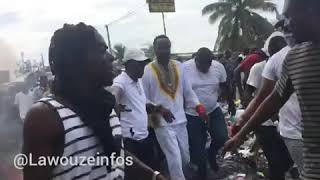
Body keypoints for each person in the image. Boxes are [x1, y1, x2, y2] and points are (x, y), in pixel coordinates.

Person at [23, 23, 166, 180]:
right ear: (76, 59)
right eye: (101, 50)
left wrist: (154, 176)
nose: (111, 57)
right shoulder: (44, 118)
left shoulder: (106, 105)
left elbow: (116, 153)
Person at [224, 1, 320, 179]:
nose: (286, 23)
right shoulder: (294, 57)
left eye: (291, 15)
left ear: (312, 11)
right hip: (314, 164)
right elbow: (273, 99)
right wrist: (242, 133)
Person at [142, 35, 208, 180]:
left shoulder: (179, 66)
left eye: (167, 47)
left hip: (180, 119)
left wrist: (198, 106)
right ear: (155, 49)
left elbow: (188, 91)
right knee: (174, 157)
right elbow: (143, 98)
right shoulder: (147, 70)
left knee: (185, 157)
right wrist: (160, 109)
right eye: (161, 48)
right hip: (159, 121)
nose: (164, 51)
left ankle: (172, 173)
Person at [242, 35, 293, 180]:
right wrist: (253, 117)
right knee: (275, 162)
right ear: (270, 52)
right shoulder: (259, 68)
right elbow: (247, 95)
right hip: (264, 123)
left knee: (287, 160)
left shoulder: (292, 65)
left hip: (285, 124)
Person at [183, 47, 231, 179]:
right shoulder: (185, 69)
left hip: (213, 110)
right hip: (192, 114)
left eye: (208, 64)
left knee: (221, 136)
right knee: (198, 148)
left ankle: (211, 154)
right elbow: (181, 92)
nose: (205, 68)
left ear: (211, 62)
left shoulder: (218, 67)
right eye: (201, 65)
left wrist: (230, 102)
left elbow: (225, 85)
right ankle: (203, 173)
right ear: (195, 60)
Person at [111, 48, 157, 169]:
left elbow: (138, 102)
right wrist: (114, 103)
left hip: (144, 136)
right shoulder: (121, 81)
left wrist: (155, 108)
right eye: (140, 64)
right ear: (130, 64)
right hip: (130, 141)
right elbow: (115, 93)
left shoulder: (138, 81)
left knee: (149, 171)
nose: (143, 67)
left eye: (143, 64)